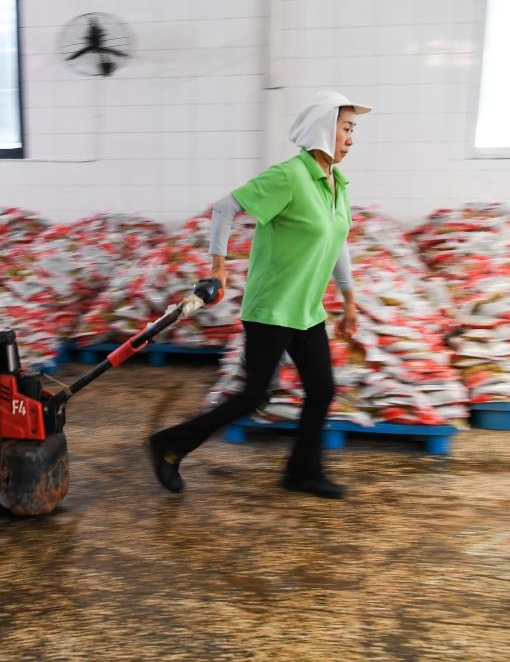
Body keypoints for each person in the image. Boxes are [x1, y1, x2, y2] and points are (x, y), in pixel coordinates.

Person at [148, 90, 371, 500]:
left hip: (307, 310)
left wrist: (349, 299)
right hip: (271, 309)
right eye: (346, 129)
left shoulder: (336, 183)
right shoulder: (290, 176)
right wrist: (218, 265)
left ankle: (302, 473)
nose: (351, 140)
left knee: (321, 389)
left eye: (353, 130)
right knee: (254, 395)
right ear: (324, 128)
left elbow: (338, 239)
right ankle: (170, 445)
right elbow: (224, 208)